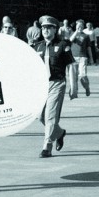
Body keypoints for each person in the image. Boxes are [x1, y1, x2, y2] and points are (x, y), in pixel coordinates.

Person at [34, 15, 74, 158]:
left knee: (50, 116)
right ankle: (59, 133)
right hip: (42, 85)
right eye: (43, 28)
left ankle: (47, 146)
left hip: (57, 83)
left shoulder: (63, 45)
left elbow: (71, 66)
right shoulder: (37, 46)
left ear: (55, 29)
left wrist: (73, 86)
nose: (45, 30)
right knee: (40, 117)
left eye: (48, 28)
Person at [69, 20, 93, 98]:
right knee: (74, 76)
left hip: (83, 57)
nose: (80, 27)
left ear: (83, 27)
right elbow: (70, 40)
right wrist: (76, 31)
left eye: (81, 26)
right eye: (78, 26)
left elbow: (89, 48)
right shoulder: (73, 34)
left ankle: (87, 87)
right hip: (73, 57)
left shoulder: (86, 36)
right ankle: (74, 92)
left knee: (83, 75)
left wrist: (91, 58)